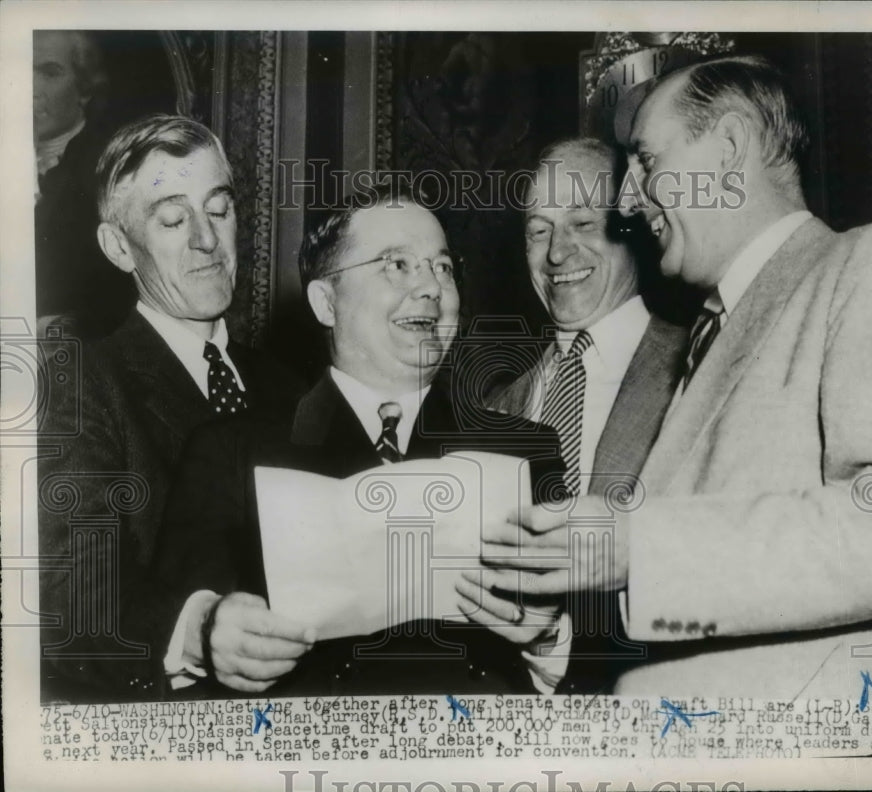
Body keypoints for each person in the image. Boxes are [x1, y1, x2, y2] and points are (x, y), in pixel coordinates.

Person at [467, 55, 872, 750]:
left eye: (647, 161)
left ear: (728, 148)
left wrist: (636, 545)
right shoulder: (710, 339)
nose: (629, 201)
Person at [153, 186, 564, 696]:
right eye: (397, 265)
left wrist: (547, 636)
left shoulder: (526, 451)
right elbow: (157, 621)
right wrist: (205, 632)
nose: (431, 288)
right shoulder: (231, 453)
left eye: (442, 268)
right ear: (326, 302)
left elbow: (598, 661)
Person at [37, 114, 303, 702]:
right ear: (118, 247)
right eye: (174, 219)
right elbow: (70, 594)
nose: (206, 239)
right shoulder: (80, 384)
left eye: (219, 208)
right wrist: (199, 632)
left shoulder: (293, 389)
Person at [476, 138, 688, 692]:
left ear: (632, 228)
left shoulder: (699, 371)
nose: (556, 253)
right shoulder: (494, 408)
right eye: (538, 230)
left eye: (582, 223)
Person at [34, 30, 133, 335]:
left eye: (50, 72)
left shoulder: (110, 171)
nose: (29, 87)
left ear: (85, 89)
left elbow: (119, 296)